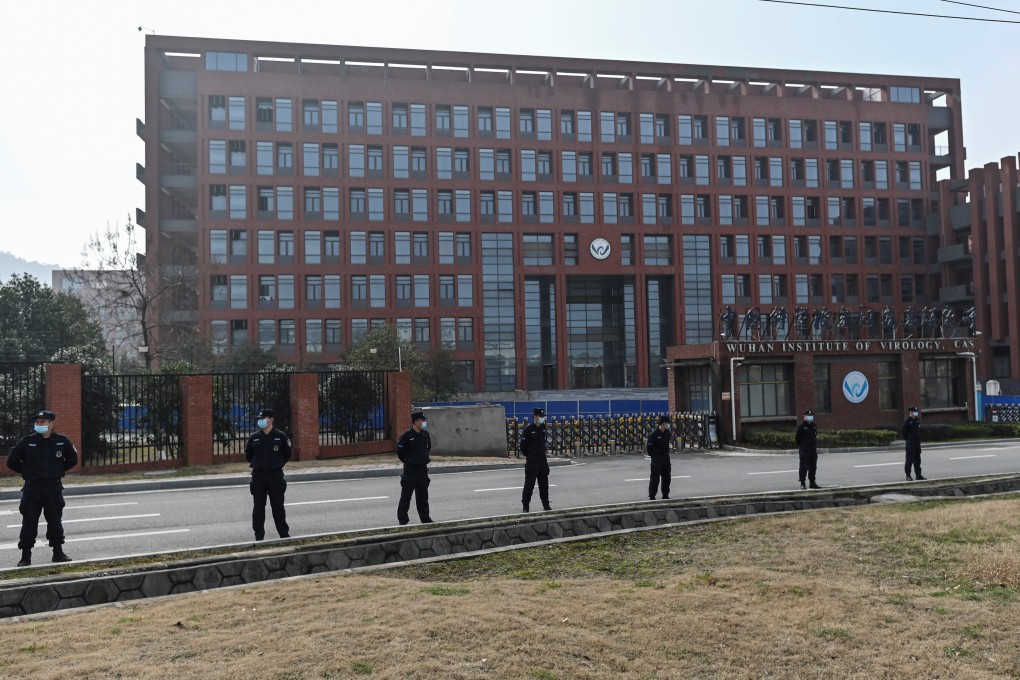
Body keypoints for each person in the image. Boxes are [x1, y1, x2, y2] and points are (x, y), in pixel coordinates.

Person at [6, 410, 78, 567]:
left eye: (43, 422)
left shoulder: (61, 441)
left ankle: (58, 553)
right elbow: (12, 461)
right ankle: (26, 556)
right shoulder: (27, 442)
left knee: (55, 520)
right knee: (29, 522)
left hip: (53, 487)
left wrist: (58, 471)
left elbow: (73, 459)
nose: (39, 425)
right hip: (32, 488)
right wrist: (26, 471)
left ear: (52, 424)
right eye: (37, 422)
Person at [244, 408, 291, 541]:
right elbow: (249, 455)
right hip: (259, 476)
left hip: (275, 475)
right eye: (260, 418)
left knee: (278, 507)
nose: (260, 421)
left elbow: (287, 454)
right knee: (258, 508)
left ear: (271, 419)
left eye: (263, 418)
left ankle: (284, 535)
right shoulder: (254, 438)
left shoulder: (281, 436)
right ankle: (259, 536)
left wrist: (276, 464)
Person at [396, 411, 433, 525]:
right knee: (406, 497)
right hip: (410, 470)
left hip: (422, 470)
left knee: (423, 496)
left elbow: (428, 448)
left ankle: (425, 519)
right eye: (422, 420)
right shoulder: (406, 436)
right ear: (416, 422)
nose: (424, 422)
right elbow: (400, 453)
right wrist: (410, 461)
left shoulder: (425, 435)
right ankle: (403, 520)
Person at [519, 407, 552, 512]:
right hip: (532, 459)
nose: (542, 418)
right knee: (529, 484)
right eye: (540, 416)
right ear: (535, 416)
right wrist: (528, 454)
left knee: (544, 484)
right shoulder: (528, 429)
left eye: (543, 416)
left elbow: (544, 442)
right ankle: (526, 506)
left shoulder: (543, 428)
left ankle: (546, 505)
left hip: (542, 459)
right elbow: (523, 446)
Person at [647, 415, 672, 500]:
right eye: (667, 423)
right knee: (655, 478)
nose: (668, 425)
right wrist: (653, 455)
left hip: (665, 457)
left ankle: (665, 495)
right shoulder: (654, 434)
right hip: (656, 458)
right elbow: (649, 447)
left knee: (667, 477)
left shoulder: (667, 433)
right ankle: (652, 495)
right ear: (663, 423)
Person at [795, 409, 821, 490]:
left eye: (811, 416)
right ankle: (802, 482)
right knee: (804, 466)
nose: (810, 417)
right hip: (804, 449)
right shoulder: (801, 426)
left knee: (813, 466)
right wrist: (803, 445)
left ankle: (812, 482)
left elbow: (815, 435)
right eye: (808, 416)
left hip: (813, 449)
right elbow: (797, 438)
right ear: (804, 416)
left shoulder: (814, 425)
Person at [903, 406, 925, 481]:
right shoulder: (907, 421)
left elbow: (919, 430)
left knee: (917, 459)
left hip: (917, 443)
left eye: (916, 412)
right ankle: (908, 475)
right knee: (909, 459)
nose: (916, 413)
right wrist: (909, 440)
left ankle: (918, 475)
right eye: (914, 412)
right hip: (910, 443)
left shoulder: (917, 420)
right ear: (911, 412)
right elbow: (904, 433)